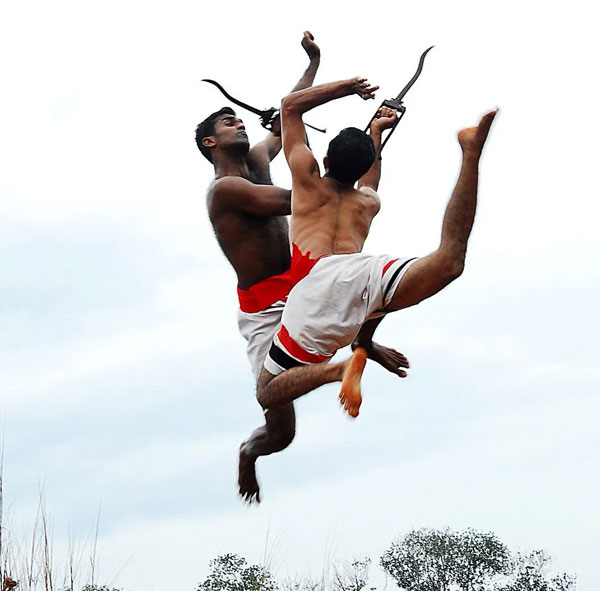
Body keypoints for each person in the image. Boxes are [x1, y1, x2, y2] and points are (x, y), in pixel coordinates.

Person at [197, 35, 408, 503]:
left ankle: (357, 350)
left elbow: (292, 115)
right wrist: (344, 170)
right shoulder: (224, 190)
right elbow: (309, 198)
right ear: (211, 142)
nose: (240, 123)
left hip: (303, 283)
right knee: (280, 429)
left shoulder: (255, 160)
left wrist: (314, 63)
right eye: (229, 121)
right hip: (263, 308)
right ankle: (249, 453)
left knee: (349, 280)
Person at [257, 75, 497, 420]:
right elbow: (370, 176)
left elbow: (290, 106)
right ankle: (471, 154)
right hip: (364, 275)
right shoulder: (367, 202)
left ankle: (335, 370)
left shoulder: (308, 181)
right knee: (448, 262)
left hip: (315, 283)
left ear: (324, 160)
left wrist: (348, 88)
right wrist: (376, 134)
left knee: (267, 392)